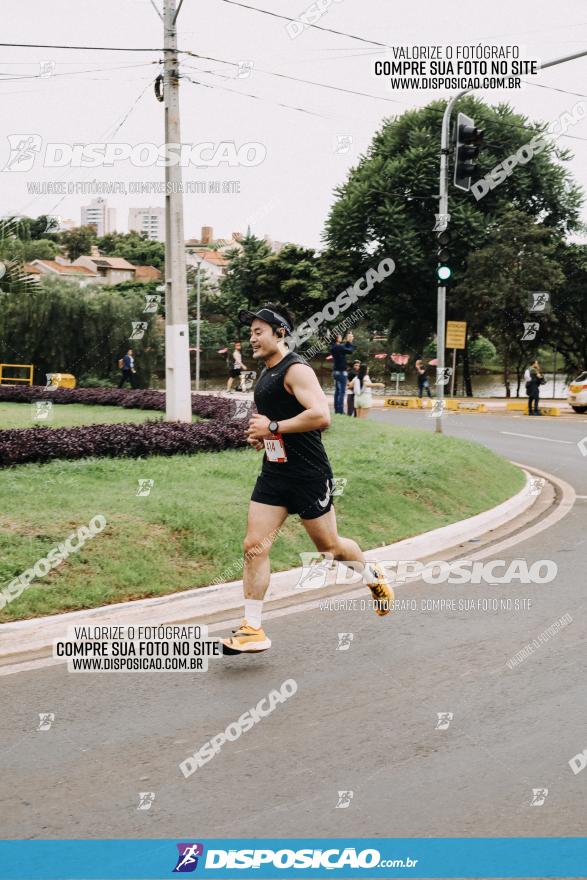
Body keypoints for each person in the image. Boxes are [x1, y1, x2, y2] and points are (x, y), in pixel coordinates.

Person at [221, 304, 393, 655]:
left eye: (259, 331)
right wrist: (263, 436)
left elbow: (320, 415)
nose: (252, 338)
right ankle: (252, 628)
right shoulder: (266, 373)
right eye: (250, 332)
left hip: (308, 474)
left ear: (280, 332)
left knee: (329, 548)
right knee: (254, 545)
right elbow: (280, 420)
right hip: (275, 472)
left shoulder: (296, 368)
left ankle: (372, 575)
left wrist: (272, 427)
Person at [330, 332, 354, 414]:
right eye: (339, 336)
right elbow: (350, 351)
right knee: (342, 392)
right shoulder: (338, 346)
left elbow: (344, 349)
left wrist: (348, 342)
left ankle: (337, 410)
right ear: (336, 338)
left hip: (335, 372)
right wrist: (350, 341)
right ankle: (340, 411)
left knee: (337, 391)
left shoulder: (334, 347)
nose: (341, 337)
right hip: (341, 372)